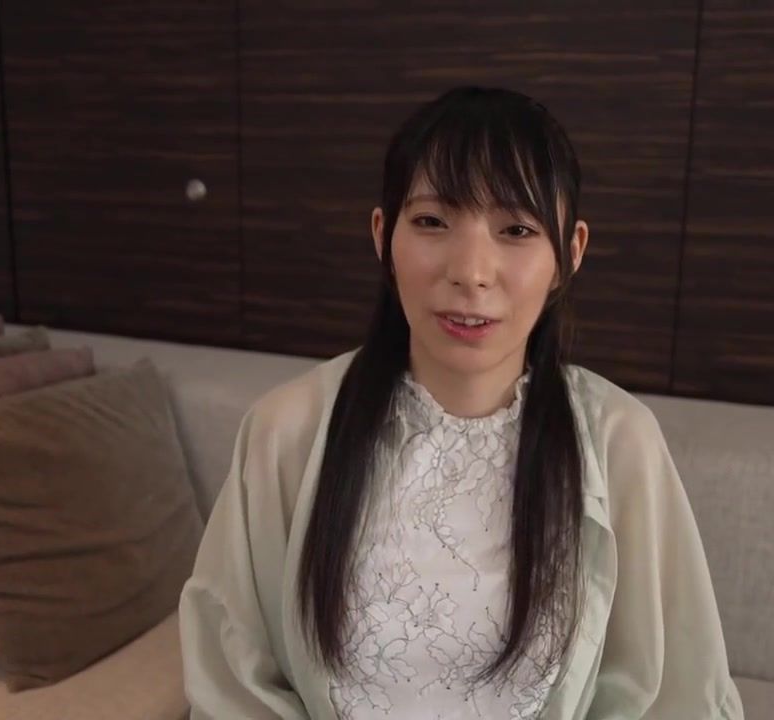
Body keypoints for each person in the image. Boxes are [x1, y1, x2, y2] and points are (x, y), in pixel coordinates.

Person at [179, 86, 744, 720]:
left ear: (570, 254)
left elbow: (675, 693)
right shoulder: (286, 429)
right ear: (382, 236)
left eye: (516, 229)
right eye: (431, 222)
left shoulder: (619, 441)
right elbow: (234, 680)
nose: (471, 271)